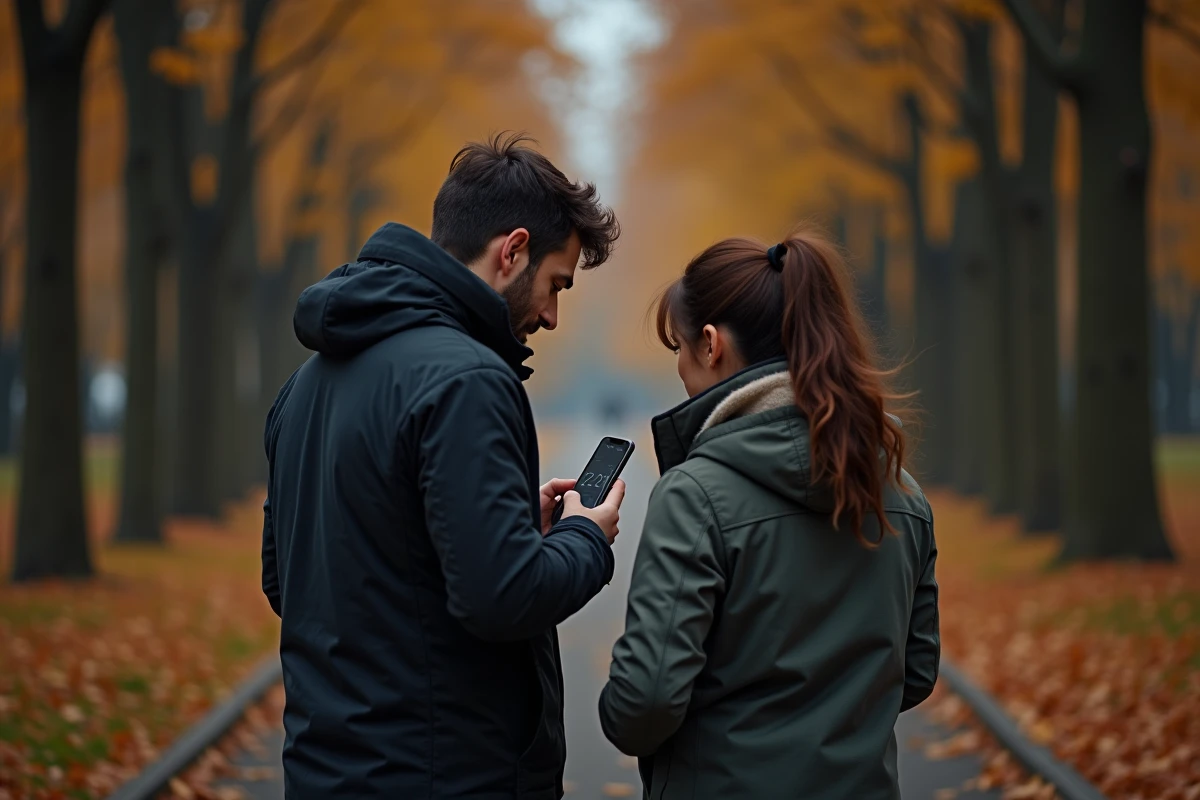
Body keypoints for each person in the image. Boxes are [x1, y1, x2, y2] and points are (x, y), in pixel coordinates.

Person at [261, 133, 625, 799]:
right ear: (511, 251)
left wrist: (503, 533)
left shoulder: (306, 383)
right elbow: (502, 597)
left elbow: (291, 580)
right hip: (444, 776)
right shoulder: (469, 381)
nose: (550, 315)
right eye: (555, 285)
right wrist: (584, 538)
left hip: (323, 774)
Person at [598, 231, 939, 799]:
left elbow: (645, 704)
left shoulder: (694, 497)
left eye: (678, 350)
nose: (680, 371)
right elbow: (916, 669)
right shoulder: (903, 494)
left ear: (710, 345)